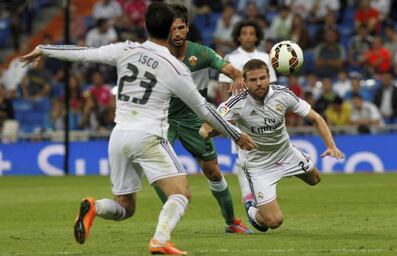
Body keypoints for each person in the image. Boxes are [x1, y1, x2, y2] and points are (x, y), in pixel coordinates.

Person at [20, 3, 257, 255]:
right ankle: (161, 239)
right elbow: (203, 109)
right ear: (169, 30)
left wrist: (44, 50)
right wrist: (235, 134)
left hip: (119, 136)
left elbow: (84, 53)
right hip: (149, 136)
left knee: (125, 207)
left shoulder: (125, 49)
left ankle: (95, 206)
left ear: (145, 26)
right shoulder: (174, 66)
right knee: (181, 194)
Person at [200, 59, 344, 232]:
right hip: (258, 165)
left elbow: (316, 118)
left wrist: (331, 146)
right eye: (253, 80)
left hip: (286, 153)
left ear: (269, 77)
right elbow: (206, 130)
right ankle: (252, 209)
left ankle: (285, 175)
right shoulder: (235, 103)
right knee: (273, 222)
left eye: (262, 78)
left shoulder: (283, 94)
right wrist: (235, 133)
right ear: (244, 82)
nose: (259, 83)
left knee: (315, 179)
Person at [153, 4, 252, 234]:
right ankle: (168, 217)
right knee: (160, 169)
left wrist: (237, 77)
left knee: (213, 171)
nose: (177, 33)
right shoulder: (156, 57)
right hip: (160, 118)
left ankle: (230, 222)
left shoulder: (203, 53)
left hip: (193, 118)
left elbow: (232, 71)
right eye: (172, 29)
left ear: (187, 28)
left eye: (181, 28)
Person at [217, 19, 276, 207]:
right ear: (238, 36)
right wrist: (228, 114)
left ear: (257, 36)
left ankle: (263, 192)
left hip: (263, 112)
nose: (248, 37)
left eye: (251, 33)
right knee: (242, 153)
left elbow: (271, 86)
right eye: (244, 33)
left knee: (265, 152)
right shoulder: (231, 57)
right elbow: (223, 86)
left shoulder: (266, 57)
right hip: (240, 112)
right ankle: (247, 196)